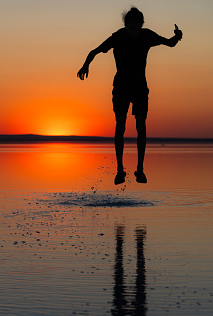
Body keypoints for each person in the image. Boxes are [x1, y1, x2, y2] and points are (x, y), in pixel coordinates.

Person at [77, 7, 182, 184]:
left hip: (140, 86)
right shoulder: (118, 36)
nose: (134, 33)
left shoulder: (147, 35)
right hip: (121, 87)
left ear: (141, 26)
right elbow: (94, 51)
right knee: (120, 124)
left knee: (141, 125)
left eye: (137, 29)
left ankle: (140, 170)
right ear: (126, 25)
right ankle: (120, 171)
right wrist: (85, 65)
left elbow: (169, 43)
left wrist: (178, 36)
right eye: (131, 29)